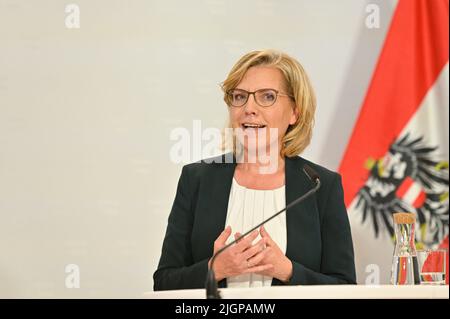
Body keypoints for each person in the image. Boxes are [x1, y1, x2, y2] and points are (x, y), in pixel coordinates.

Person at [153, 49, 356, 291]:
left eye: (267, 97)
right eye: (239, 97)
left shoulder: (320, 185)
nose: (249, 108)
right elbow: (163, 284)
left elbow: (345, 288)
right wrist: (214, 269)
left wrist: (288, 271)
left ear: (294, 111)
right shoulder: (196, 179)